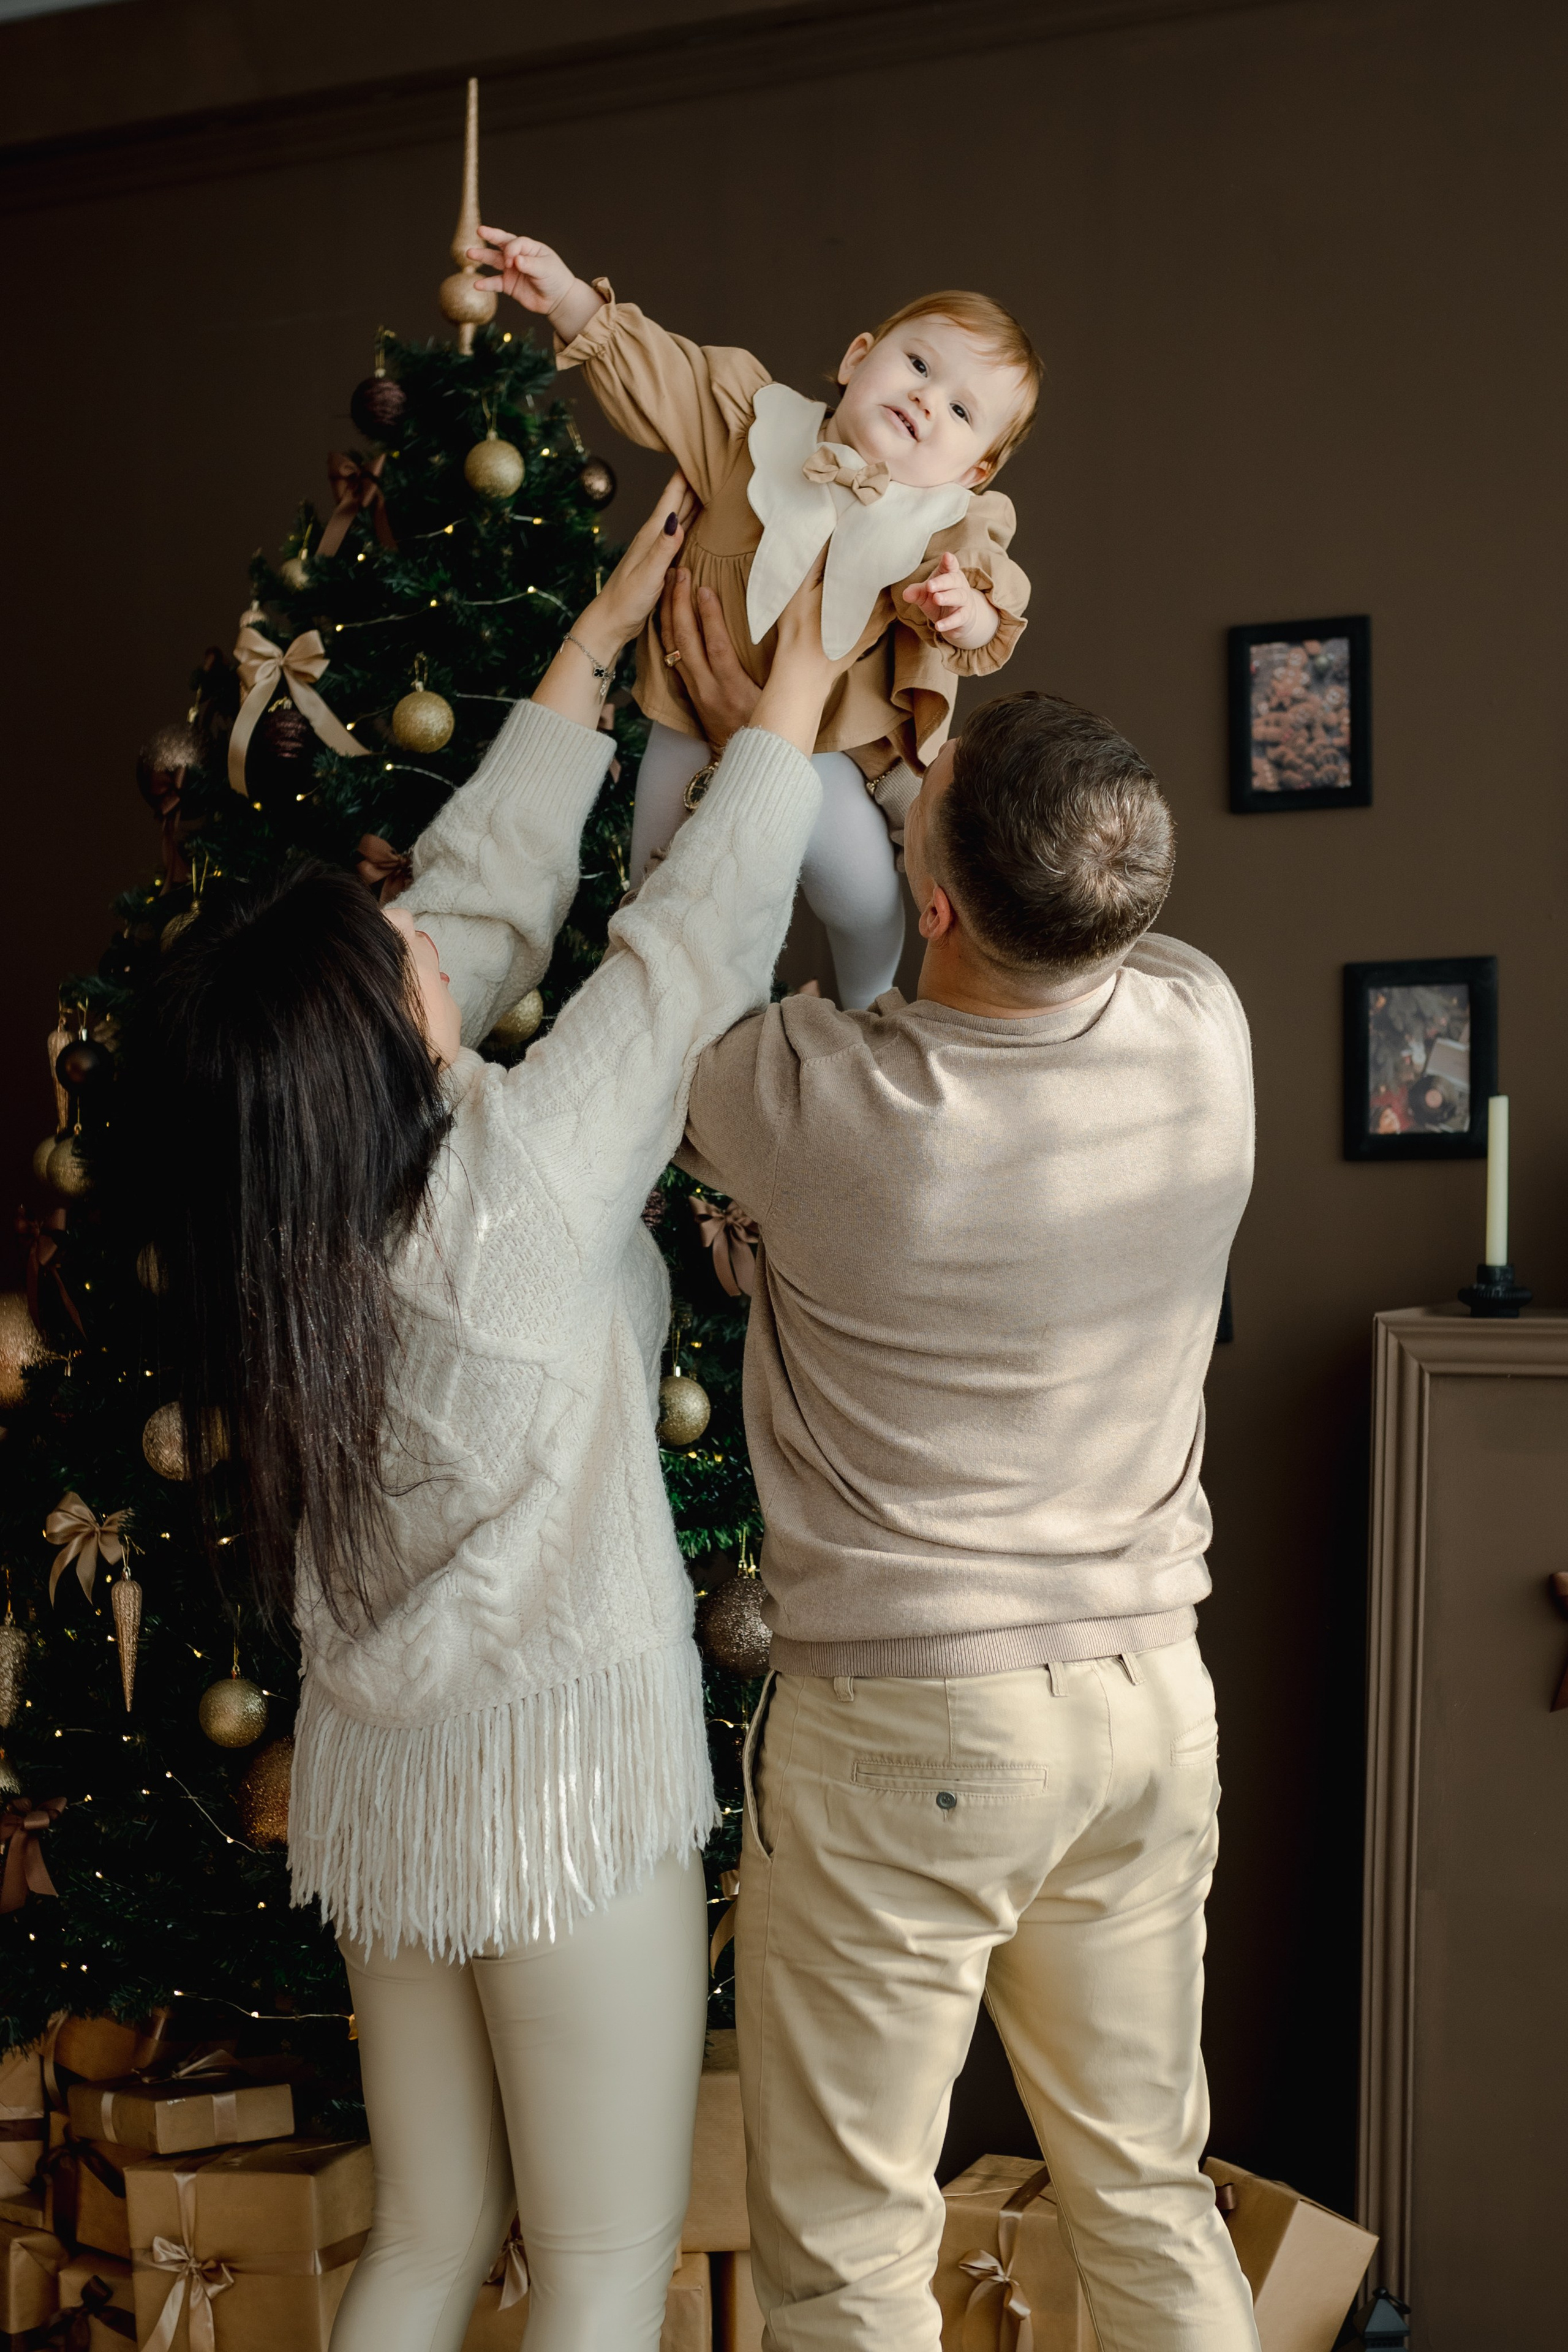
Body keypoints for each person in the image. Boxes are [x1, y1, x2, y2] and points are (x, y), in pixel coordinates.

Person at [135, 483, 853, 2352]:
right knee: (601, 2268)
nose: (426, 934)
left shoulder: (306, 1211)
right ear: (397, 1040)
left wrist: (588, 659)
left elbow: (471, 910)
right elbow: (683, 947)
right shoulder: (521, 1187)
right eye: (400, 958)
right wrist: (793, 699)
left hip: (390, 1784)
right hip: (557, 1793)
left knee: (429, 2239)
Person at [662, 573, 1259, 2352]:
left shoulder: (822, 1106)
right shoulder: (1199, 1033)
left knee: (848, 2256)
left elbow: (678, 959)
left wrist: (761, 738)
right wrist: (921, 756)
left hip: (917, 1723)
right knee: (1146, 2192)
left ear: (929, 898)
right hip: (1147, 1701)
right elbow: (1046, 900)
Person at [469, 222, 1041, 1008]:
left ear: (973, 472)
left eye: (961, 410)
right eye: (916, 364)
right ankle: (660, 1018)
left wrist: (965, 611)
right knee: (658, 878)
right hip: (685, 708)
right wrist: (567, 297)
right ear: (855, 359)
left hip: (837, 747)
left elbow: (990, 610)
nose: (924, 399)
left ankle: (868, 1000)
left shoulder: (947, 523)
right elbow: (663, 374)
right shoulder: (753, 427)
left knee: (866, 896)